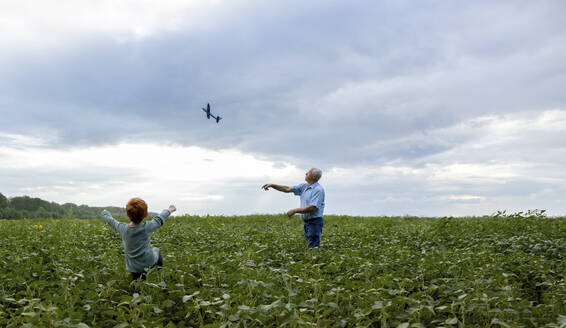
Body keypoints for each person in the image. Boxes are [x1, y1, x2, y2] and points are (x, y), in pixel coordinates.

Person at [101, 198, 176, 280]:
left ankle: (137, 285)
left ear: (127, 214)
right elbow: (159, 219)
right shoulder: (147, 227)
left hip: (133, 268)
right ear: (146, 214)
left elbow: (111, 221)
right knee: (157, 250)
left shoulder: (122, 228)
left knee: (137, 283)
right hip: (148, 263)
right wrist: (169, 210)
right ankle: (160, 275)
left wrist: (105, 213)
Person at [262, 168, 325, 249]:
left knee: (313, 247)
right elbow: (287, 189)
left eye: (308, 173)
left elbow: (312, 208)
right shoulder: (304, 186)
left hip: (315, 222)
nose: (305, 173)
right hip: (308, 222)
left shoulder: (318, 190)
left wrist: (294, 210)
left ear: (313, 177)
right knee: (310, 244)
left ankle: (315, 260)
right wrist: (272, 185)